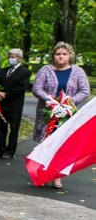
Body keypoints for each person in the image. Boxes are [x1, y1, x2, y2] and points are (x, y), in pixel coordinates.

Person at [31, 41, 90, 189]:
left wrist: (69, 102)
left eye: (64, 54)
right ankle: (42, 175)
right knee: (46, 144)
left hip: (68, 114)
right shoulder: (45, 70)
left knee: (62, 145)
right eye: (58, 54)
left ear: (70, 56)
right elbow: (37, 88)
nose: (61, 57)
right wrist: (50, 100)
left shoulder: (78, 72)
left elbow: (84, 91)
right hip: (48, 113)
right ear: (53, 56)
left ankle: (56, 177)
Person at [0, 48, 30, 160]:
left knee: (13, 129)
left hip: (15, 105)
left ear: (19, 58)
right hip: (2, 104)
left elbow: (22, 88)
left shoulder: (25, 72)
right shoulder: (3, 71)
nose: (11, 59)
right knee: (0, 127)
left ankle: (10, 151)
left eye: (13, 57)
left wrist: (6, 94)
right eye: (9, 56)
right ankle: (0, 149)